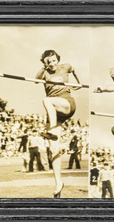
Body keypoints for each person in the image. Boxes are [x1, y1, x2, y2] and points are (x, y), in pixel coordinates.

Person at [35, 49, 83, 198]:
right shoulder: (44, 72)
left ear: (58, 60)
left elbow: (74, 69)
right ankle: (58, 183)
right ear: (45, 62)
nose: (52, 63)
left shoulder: (65, 67)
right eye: (48, 61)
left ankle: (53, 129)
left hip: (66, 103)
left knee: (46, 100)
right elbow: (36, 80)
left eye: (54, 60)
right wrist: (43, 67)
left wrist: (79, 83)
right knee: (53, 148)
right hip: (54, 111)